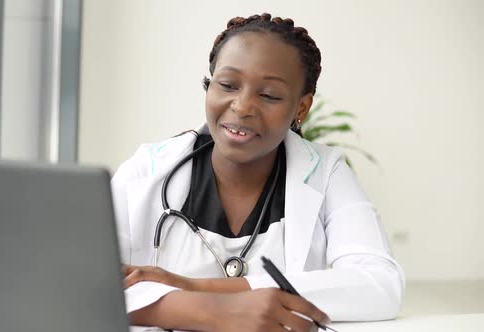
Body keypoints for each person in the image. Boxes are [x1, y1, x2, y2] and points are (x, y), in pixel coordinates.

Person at [111, 13, 404, 332]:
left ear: (301, 108)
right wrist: (209, 312)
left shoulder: (327, 172)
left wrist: (195, 287)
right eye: (227, 85)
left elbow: (379, 285)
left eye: (269, 95)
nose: (243, 106)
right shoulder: (147, 169)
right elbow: (81, 282)